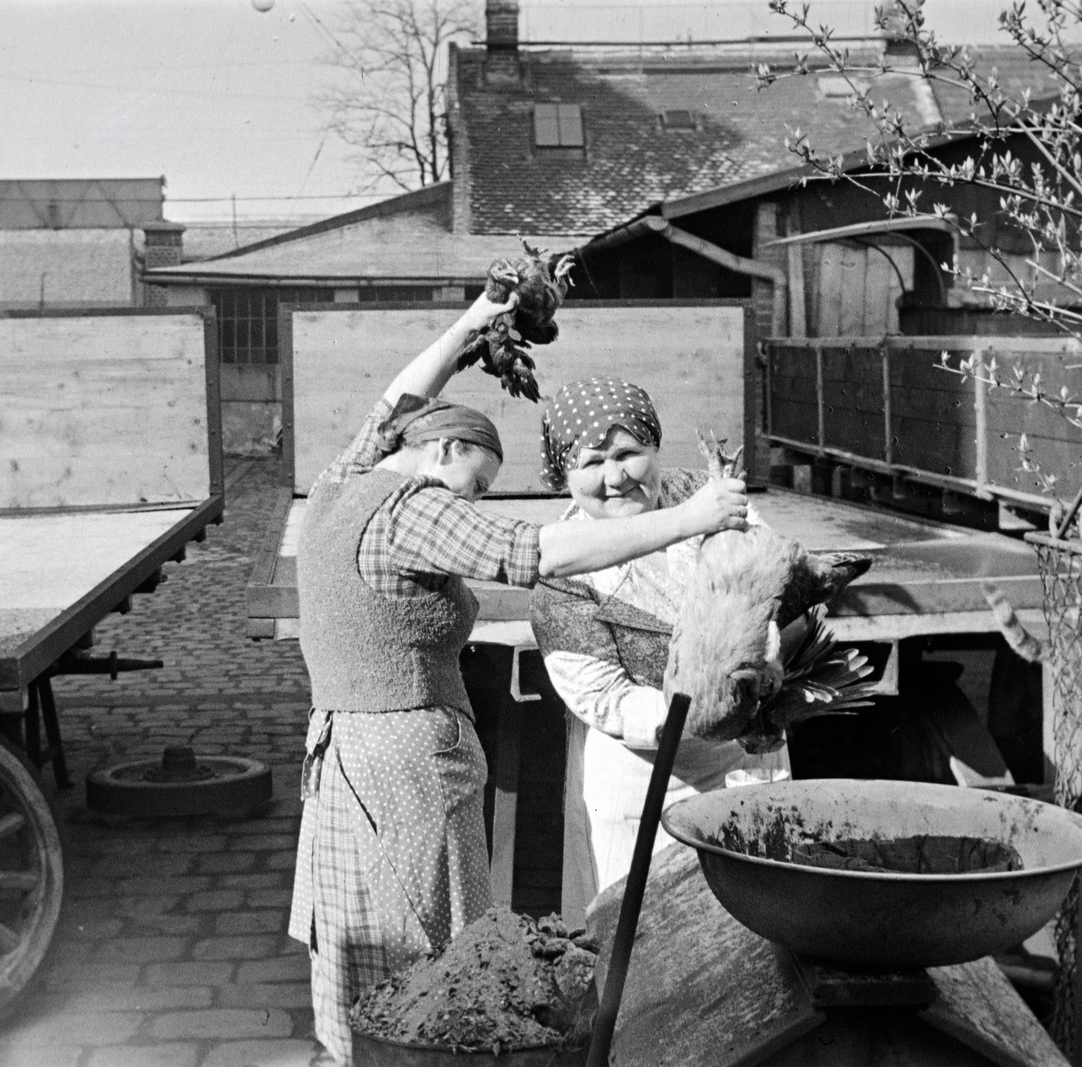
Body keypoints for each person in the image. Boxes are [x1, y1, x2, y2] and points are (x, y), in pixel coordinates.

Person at [287, 296, 749, 1065]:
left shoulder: (344, 480)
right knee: (433, 967)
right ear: (441, 454)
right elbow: (547, 553)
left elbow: (400, 397)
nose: (472, 499)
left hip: (339, 758)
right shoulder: (413, 511)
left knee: (359, 957)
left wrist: (475, 320)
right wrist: (693, 516)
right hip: (406, 765)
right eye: (476, 483)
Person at [528, 376, 789, 899]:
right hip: (641, 774)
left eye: (628, 452)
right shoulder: (563, 566)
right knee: (645, 932)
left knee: (759, 922)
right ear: (563, 477)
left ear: (655, 446)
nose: (615, 477)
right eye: (591, 462)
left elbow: (764, 583)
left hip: (744, 760)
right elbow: (602, 695)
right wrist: (699, 712)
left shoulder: (709, 499)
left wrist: (767, 662)